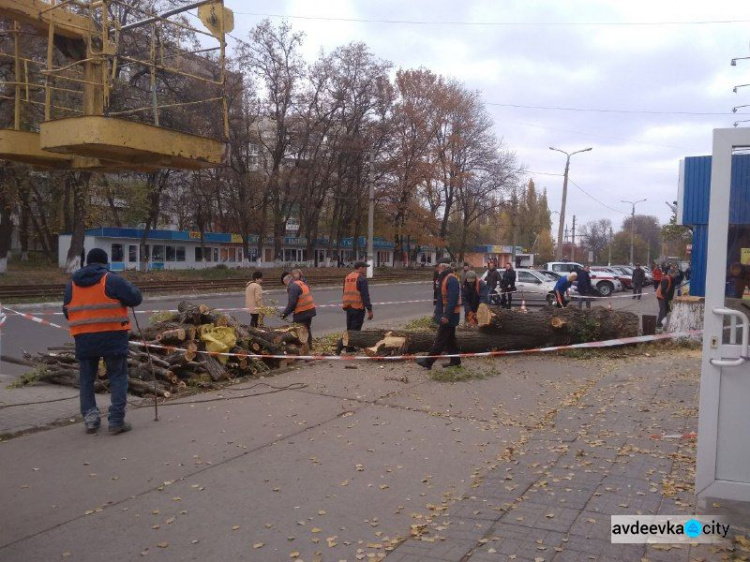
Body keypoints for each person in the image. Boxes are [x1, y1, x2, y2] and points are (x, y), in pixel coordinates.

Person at [63, 248, 142, 434]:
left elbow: (67, 310)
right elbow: (135, 298)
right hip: (112, 337)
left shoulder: (72, 283)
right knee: (118, 377)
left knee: (86, 380)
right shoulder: (111, 279)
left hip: (84, 339)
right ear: (105, 263)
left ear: (87, 262)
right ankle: (116, 422)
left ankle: (91, 419)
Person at [416, 260, 461, 370]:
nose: (437, 269)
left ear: (443, 267)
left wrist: (446, 316)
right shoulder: (444, 278)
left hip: (450, 315)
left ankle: (428, 361)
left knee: (441, 339)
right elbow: (441, 299)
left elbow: (452, 300)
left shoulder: (451, 279)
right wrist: (437, 313)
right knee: (450, 340)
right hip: (448, 314)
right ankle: (456, 361)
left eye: (438, 267)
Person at [335, 261, 374, 354]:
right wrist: (369, 309)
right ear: (360, 268)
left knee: (350, 327)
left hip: (348, 306)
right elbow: (365, 295)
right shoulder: (361, 279)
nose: (365, 269)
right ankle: (340, 345)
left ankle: (350, 348)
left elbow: (344, 291)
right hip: (357, 307)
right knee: (355, 330)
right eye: (365, 267)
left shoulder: (347, 277)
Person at [281, 270, 316, 348]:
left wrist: (284, 314)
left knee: (296, 330)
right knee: (306, 328)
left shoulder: (292, 286)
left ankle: (301, 349)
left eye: (285, 284)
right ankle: (309, 347)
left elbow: (292, 303)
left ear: (286, 281)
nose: (286, 286)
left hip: (302, 311)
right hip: (310, 309)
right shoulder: (300, 282)